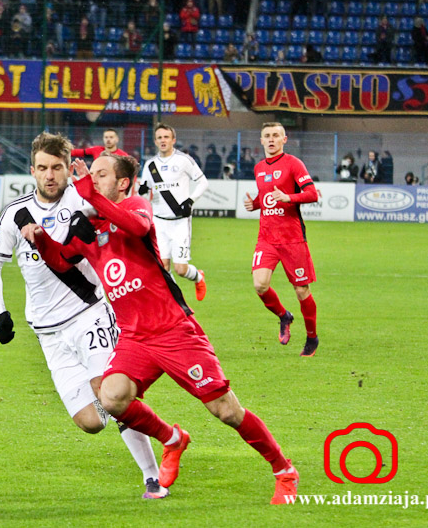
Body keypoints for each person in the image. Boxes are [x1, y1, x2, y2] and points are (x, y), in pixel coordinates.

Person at [22, 152, 300, 505]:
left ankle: (283, 469)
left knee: (226, 411)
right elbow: (62, 262)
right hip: (134, 338)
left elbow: (137, 228)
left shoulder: (136, 205)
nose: (91, 180)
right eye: (91, 174)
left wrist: (91, 196)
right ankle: (173, 439)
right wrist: (41, 239)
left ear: (123, 183)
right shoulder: (89, 227)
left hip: (174, 331)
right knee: (112, 397)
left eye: (100, 175)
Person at [0, 133, 168, 500]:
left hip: (89, 314)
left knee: (109, 394)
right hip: (48, 333)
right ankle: (126, 410)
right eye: (42, 168)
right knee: (91, 421)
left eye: (57, 167)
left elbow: (125, 225)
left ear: (68, 168)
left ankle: (153, 477)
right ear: (32, 170)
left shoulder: (85, 200)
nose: (49, 175)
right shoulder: (15, 214)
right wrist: (0, 312)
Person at [243, 122, 320, 357]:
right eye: (267, 135)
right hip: (266, 238)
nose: (271, 139)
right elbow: (266, 196)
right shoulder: (258, 168)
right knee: (260, 284)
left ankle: (312, 337)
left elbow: (312, 194)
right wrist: (255, 204)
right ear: (261, 140)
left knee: (301, 290)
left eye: (276, 135)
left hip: (292, 239)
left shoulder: (294, 164)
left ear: (284, 139)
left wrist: (289, 197)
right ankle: (284, 316)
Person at [138, 124, 208, 301]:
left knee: (181, 269)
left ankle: (198, 277)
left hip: (180, 222)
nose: (163, 140)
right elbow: (144, 191)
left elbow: (203, 182)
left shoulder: (183, 160)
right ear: (155, 141)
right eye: (159, 138)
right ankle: (175, 302)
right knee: (163, 267)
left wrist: (190, 200)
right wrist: (143, 191)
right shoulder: (150, 165)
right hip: (159, 222)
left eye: (166, 137)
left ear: (173, 140)